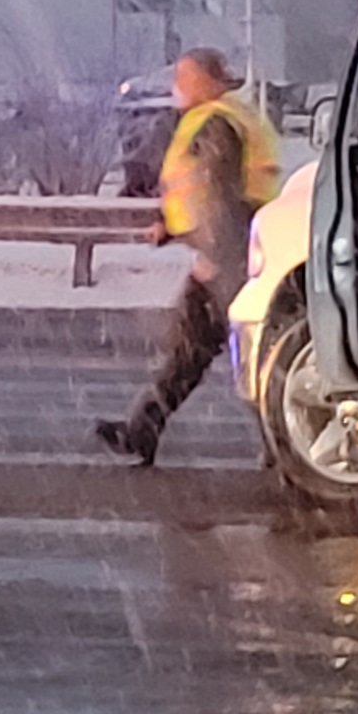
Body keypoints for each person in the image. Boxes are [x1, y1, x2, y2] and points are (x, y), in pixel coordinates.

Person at [94, 49, 283, 467]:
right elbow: (199, 189)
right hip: (228, 250)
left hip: (227, 255)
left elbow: (219, 194)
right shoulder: (224, 115)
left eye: (185, 76)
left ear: (210, 79)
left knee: (249, 358)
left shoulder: (218, 123)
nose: (178, 85)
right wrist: (171, 225)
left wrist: (216, 255)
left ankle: (287, 443)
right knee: (194, 353)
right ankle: (143, 430)